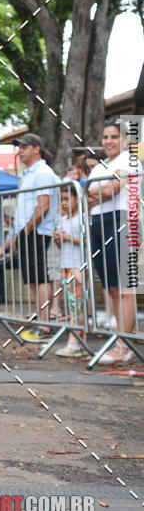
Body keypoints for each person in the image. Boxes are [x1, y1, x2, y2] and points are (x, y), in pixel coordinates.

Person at [0, 133, 60, 342]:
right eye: (19, 147)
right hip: (29, 232)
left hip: (38, 232)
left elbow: (43, 206)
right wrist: (16, 235)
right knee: (33, 279)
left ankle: (44, 325)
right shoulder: (30, 174)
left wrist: (26, 231)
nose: (20, 151)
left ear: (36, 149)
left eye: (24, 147)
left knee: (40, 277)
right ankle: (42, 320)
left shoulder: (42, 173)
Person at [87, 120, 137, 365]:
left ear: (125, 139)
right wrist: (101, 190)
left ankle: (124, 345)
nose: (108, 141)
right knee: (112, 288)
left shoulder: (130, 161)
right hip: (99, 222)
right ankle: (119, 338)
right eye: (105, 137)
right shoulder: (99, 167)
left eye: (114, 137)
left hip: (124, 220)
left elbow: (111, 191)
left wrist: (100, 191)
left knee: (125, 287)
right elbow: (87, 197)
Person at [54, 183, 86, 357]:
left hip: (78, 265)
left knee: (77, 305)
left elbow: (87, 242)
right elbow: (62, 245)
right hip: (66, 265)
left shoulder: (81, 217)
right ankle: (80, 342)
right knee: (73, 305)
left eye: (67, 199)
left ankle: (74, 343)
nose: (64, 203)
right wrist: (59, 240)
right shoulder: (63, 219)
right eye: (61, 200)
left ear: (76, 198)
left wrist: (67, 237)